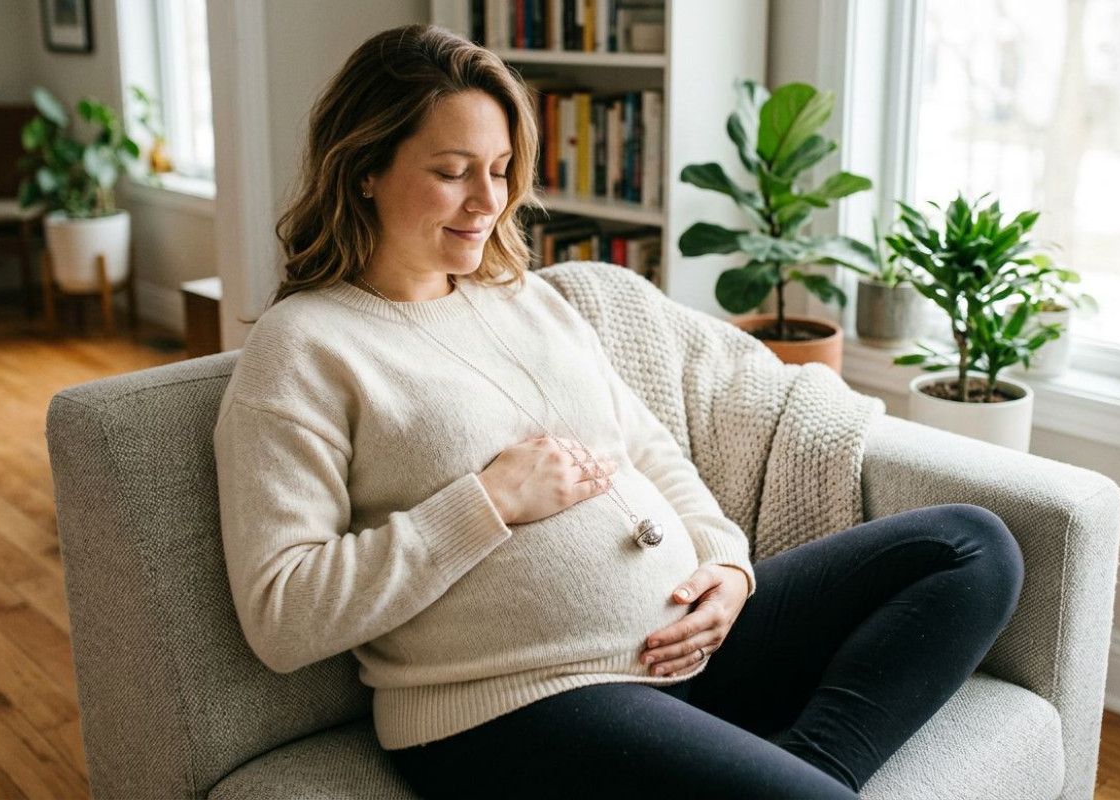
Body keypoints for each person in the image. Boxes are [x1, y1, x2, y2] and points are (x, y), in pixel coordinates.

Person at [213, 24, 1025, 799]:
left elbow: (647, 447)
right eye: (452, 170)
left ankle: (805, 768)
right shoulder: (306, 347)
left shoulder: (523, 295)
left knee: (971, 547)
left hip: (685, 651)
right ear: (364, 168)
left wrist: (727, 565)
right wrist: (486, 503)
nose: (485, 201)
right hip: (512, 706)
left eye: (499, 170)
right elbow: (282, 615)